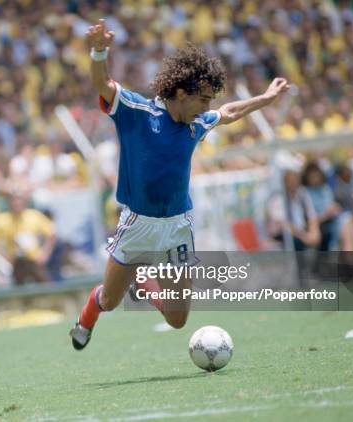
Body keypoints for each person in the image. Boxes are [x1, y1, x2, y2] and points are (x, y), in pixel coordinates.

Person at [70, 20, 290, 350]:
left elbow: (228, 112)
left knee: (177, 320)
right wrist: (99, 50)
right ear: (182, 94)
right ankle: (88, 316)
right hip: (137, 224)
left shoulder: (197, 123)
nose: (207, 108)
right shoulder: (137, 111)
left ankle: (144, 285)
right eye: (203, 100)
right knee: (111, 300)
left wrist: (265, 99)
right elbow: (102, 84)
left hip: (177, 227)